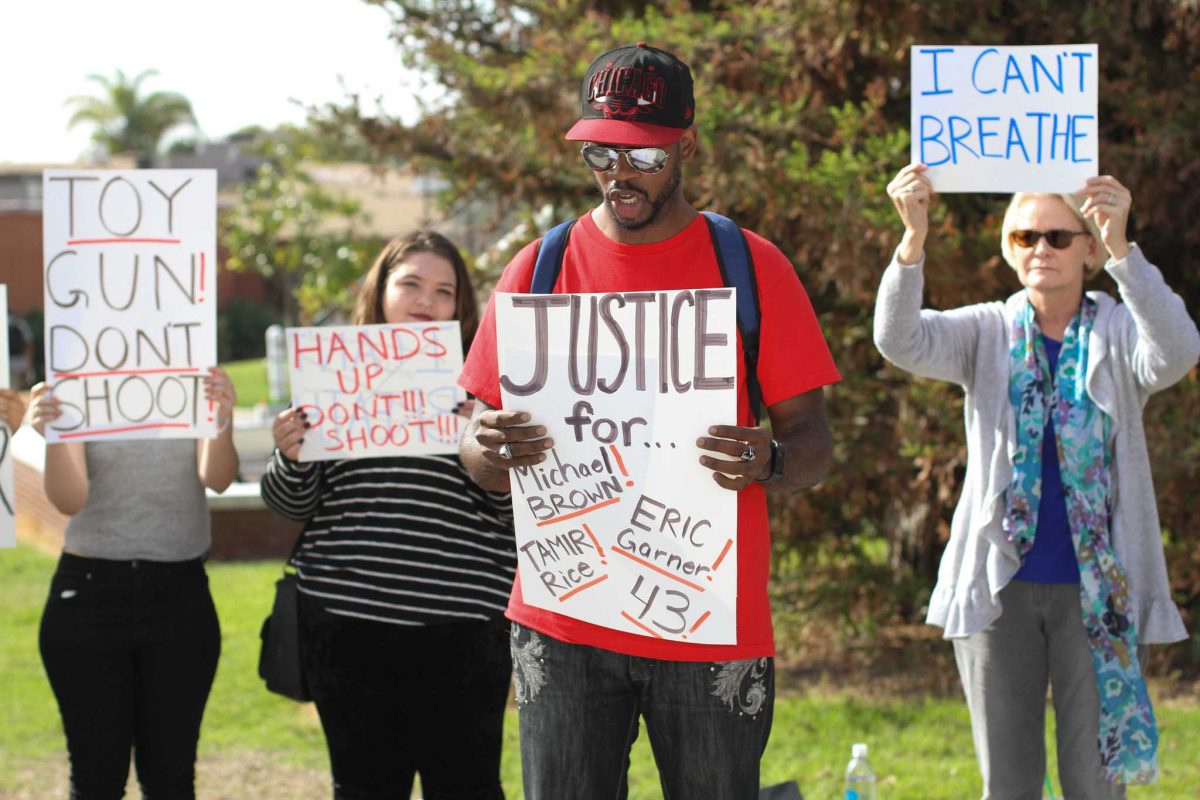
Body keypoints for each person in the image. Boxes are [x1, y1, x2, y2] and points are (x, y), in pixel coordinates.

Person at [457, 43, 840, 799]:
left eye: (645, 154)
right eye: (600, 150)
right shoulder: (537, 269)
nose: (619, 172)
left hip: (706, 617)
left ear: (688, 145)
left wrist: (770, 461)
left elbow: (815, 442)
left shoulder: (751, 267)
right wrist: (486, 443)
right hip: (565, 618)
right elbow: (475, 442)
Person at [874, 163, 1200, 799]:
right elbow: (899, 339)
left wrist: (1125, 250)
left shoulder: (1118, 330)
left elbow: (1179, 350)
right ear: (1010, 249)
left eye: (1057, 236)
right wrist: (912, 240)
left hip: (1098, 594)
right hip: (1000, 594)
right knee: (1010, 784)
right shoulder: (987, 329)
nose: (1041, 249)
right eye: (1026, 238)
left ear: (1087, 248)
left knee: (1094, 784)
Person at [259, 230, 516, 800]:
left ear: (462, 306)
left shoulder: (490, 389)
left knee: (469, 787)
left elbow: (515, 514)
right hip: (348, 628)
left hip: (464, 633)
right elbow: (289, 506)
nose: (426, 301)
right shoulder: (331, 379)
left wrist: (482, 442)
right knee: (365, 788)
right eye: (411, 284)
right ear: (380, 293)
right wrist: (291, 455)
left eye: (444, 291)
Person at [29, 367, 239, 798]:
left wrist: (222, 416)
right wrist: (56, 436)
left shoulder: (193, 370)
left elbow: (217, 478)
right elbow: (69, 500)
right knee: (96, 781)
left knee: (171, 780)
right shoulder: (77, 378)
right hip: (89, 597)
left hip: (179, 596)